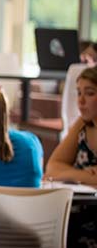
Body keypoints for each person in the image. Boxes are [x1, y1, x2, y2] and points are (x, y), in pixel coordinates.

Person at [46, 67, 97, 248]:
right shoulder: (82, 125)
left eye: (90, 94)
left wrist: (71, 173)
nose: (81, 101)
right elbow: (52, 168)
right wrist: (86, 176)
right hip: (76, 213)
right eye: (78, 93)